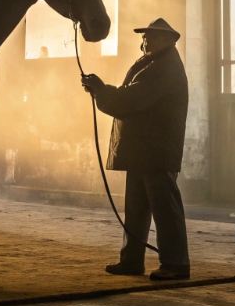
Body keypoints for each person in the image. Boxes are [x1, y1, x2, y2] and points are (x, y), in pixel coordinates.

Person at [81, 18, 191, 280]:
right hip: (144, 151)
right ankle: (132, 260)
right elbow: (132, 96)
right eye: (145, 37)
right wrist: (101, 91)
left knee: (165, 209)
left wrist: (101, 90)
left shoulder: (164, 68)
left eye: (150, 37)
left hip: (157, 150)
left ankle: (176, 264)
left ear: (166, 40)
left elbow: (133, 99)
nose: (145, 42)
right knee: (137, 209)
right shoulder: (153, 65)